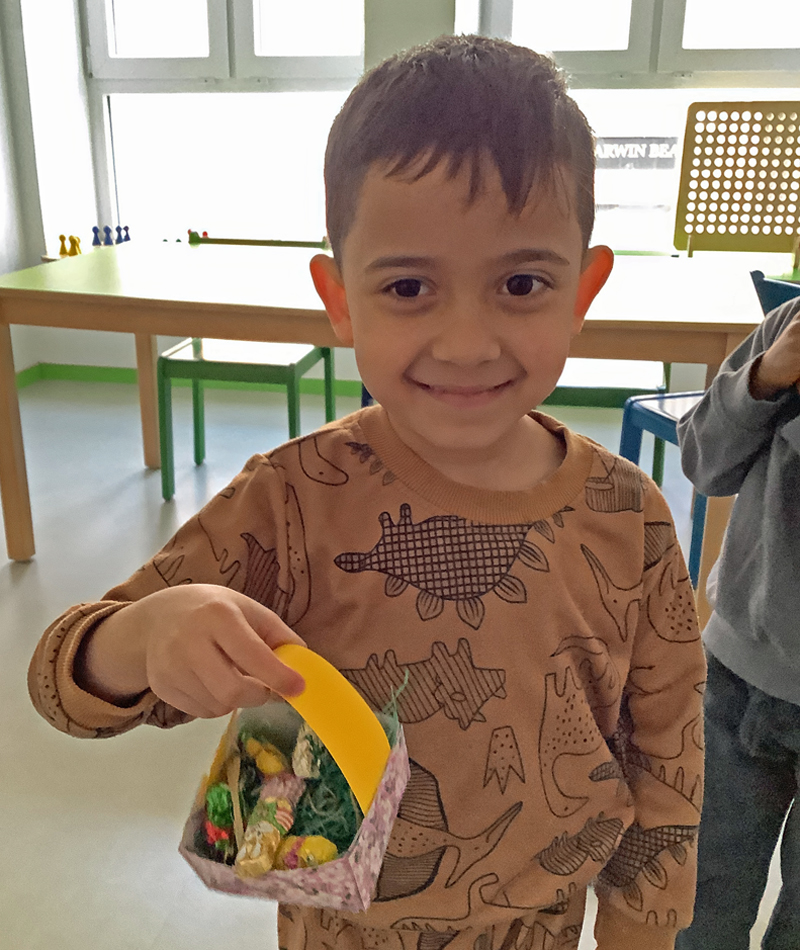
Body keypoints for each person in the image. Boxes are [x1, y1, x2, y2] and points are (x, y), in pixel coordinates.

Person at [28, 35, 704, 950]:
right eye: (410, 285)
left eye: (520, 282)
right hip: (338, 932)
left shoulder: (631, 518)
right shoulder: (293, 500)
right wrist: (147, 634)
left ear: (582, 290)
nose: (467, 342)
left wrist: (644, 928)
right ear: (340, 299)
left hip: (543, 930)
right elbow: (64, 683)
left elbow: (667, 756)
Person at [676, 296, 800, 950]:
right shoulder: (789, 326)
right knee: (703, 893)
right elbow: (701, 459)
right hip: (738, 675)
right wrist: (763, 380)